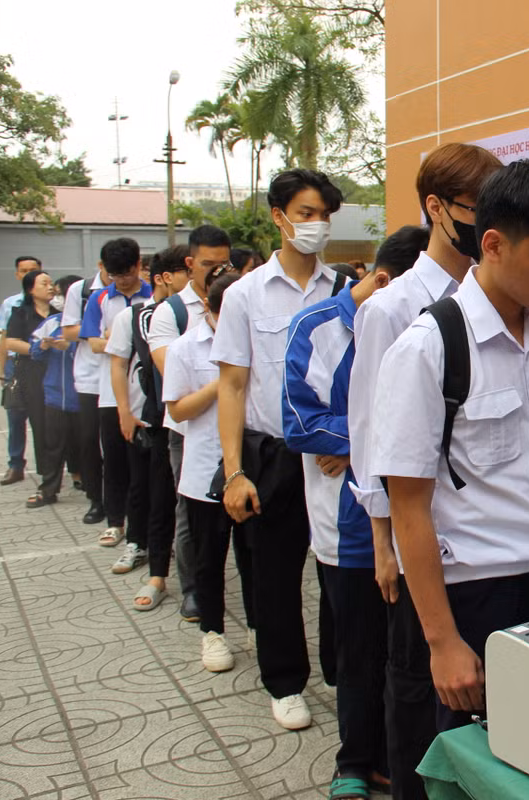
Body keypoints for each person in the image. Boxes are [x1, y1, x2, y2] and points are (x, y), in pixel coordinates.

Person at [373, 159, 529, 737]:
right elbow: (408, 506)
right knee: (478, 764)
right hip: (482, 598)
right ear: (492, 244)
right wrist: (443, 641)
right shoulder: (427, 347)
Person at [348, 142, 501, 800]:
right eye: (475, 208)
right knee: (417, 687)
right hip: (418, 536)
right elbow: (369, 436)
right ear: (436, 208)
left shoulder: (499, 298)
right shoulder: (390, 308)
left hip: (485, 540)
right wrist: (384, 543)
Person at [212, 168, 345, 731]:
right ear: (278, 216)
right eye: (306, 213)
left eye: (323, 215)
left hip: (331, 455)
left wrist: (350, 441)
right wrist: (235, 471)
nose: (315, 225)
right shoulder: (245, 295)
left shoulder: (343, 288)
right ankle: (285, 681)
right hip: (271, 453)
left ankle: (343, 672)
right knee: (274, 574)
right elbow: (233, 386)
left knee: (341, 570)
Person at [285, 262, 398, 799]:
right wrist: (361, 439)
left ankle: (393, 753)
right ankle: (353, 760)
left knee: (407, 653)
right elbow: (301, 422)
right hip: (348, 525)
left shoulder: (423, 324)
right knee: (359, 651)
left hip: (422, 521)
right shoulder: (318, 327)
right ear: (382, 278)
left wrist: (355, 441)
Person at [163, 271, 256, 671]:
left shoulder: (256, 341)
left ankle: (259, 625)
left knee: (255, 558)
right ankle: (213, 632)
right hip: (204, 472)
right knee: (208, 558)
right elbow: (177, 410)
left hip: (252, 470)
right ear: (211, 309)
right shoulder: (185, 348)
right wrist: (223, 381)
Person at [150, 224, 233, 623]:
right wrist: (226, 381)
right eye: (208, 263)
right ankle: (194, 592)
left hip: (238, 437)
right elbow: (175, 387)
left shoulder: (238, 303)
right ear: (190, 262)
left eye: (224, 262)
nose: (217, 269)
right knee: (192, 516)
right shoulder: (173, 312)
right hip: (190, 434)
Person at [106, 247, 189, 607]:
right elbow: (118, 365)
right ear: (165, 277)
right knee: (151, 494)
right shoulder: (135, 316)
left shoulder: (198, 313)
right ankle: (151, 566)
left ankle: (177, 567)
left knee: (175, 500)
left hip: (186, 419)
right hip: (151, 417)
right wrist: (124, 410)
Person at [80, 238, 152, 549]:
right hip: (109, 393)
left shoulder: (152, 296)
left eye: (126, 273)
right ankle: (114, 522)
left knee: (142, 465)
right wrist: (115, 341)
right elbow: (91, 342)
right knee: (114, 460)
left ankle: (144, 525)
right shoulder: (99, 300)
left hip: (143, 393)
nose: (120, 280)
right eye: (114, 275)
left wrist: (113, 339)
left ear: (138, 266)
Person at [27, 275, 83, 509]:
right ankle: (48, 489)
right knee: (53, 446)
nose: (56, 297)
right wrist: (43, 345)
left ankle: (90, 485)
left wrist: (69, 347)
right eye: (56, 293)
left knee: (85, 444)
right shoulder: (52, 322)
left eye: (61, 293)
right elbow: (33, 350)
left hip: (83, 396)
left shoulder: (88, 325)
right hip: (54, 396)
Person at [61, 260, 110, 525]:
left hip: (120, 378)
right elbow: (68, 330)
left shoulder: (138, 289)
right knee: (90, 439)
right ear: (101, 265)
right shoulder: (80, 290)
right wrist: (98, 334)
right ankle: (96, 499)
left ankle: (118, 499)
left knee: (118, 443)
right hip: (90, 377)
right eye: (111, 272)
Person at [0, 256, 44, 485]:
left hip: (42, 366)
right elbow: (5, 339)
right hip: (16, 365)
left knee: (44, 419)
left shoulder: (50, 302)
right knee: (15, 416)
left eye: (32, 270)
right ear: (17, 274)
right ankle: (15, 465)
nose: (27, 273)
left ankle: (48, 466)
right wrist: (2, 371)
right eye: (23, 270)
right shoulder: (11, 304)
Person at [4, 269, 54, 490]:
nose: (50, 287)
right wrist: (38, 349)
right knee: (39, 422)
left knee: (59, 423)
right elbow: (11, 343)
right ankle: (46, 472)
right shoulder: (21, 313)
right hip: (31, 374)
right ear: (31, 289)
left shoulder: (58, 313)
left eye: (51, 283)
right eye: (44, 283)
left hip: (56, 372)